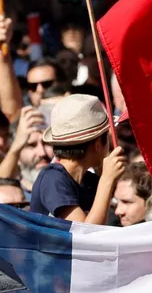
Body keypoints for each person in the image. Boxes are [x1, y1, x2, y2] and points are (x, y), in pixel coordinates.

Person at [32, 95, 123, 224]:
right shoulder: (52, 178)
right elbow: (86, 236)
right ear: (98, 144)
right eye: (107, 139)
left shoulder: (90, 182)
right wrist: (107, 180)